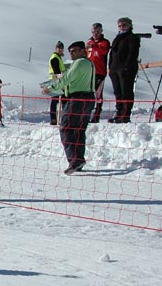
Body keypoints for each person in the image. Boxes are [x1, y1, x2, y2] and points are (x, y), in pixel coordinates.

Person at [42, 41, 95, 175]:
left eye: (74, 51)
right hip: (88, 98)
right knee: (79, 130)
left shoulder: (78, 63)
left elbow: (66, 79)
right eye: (70, 51)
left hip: (76, 99)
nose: (71, 54)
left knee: (66, 128)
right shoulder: (90, 64)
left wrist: (50, 88)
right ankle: (79, 160)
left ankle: (74, 160)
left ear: (82, 51)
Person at [108, 17, 141, 123]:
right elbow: (112, 53)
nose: (122, 27)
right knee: (117, 92)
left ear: (129, 25)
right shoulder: (117, 37)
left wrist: (127, 66)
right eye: (120, 26)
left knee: (126, 91)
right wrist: (110, 67)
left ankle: (125, 115)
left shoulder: (132, 37)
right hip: (115, 69)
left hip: (126, 69)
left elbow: (133, 53)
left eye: (124, 25)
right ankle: (119, 113)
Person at [86, 23, 111, 123]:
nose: (95, 34)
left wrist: (95, 46)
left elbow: (104, 51)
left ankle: (97, 114)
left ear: (101, 31)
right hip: (89, 72)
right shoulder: (89, 42)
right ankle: (87, 113)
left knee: (98, 93)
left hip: (100, 72)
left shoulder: (104, 42)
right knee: (88, 93)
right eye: (93, 32)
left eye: (97, 32)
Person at [48, 41, 66, 125]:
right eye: (59, 48)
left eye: (61, 48)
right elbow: (56, 71)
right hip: (56, 81)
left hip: (56, 81)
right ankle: (54, 119)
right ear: (56, 48)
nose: (60, 49)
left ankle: (55, 119)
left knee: (57, 100)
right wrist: (61, 77)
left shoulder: (58, 57)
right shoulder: (55, 57)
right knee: (57, 100)